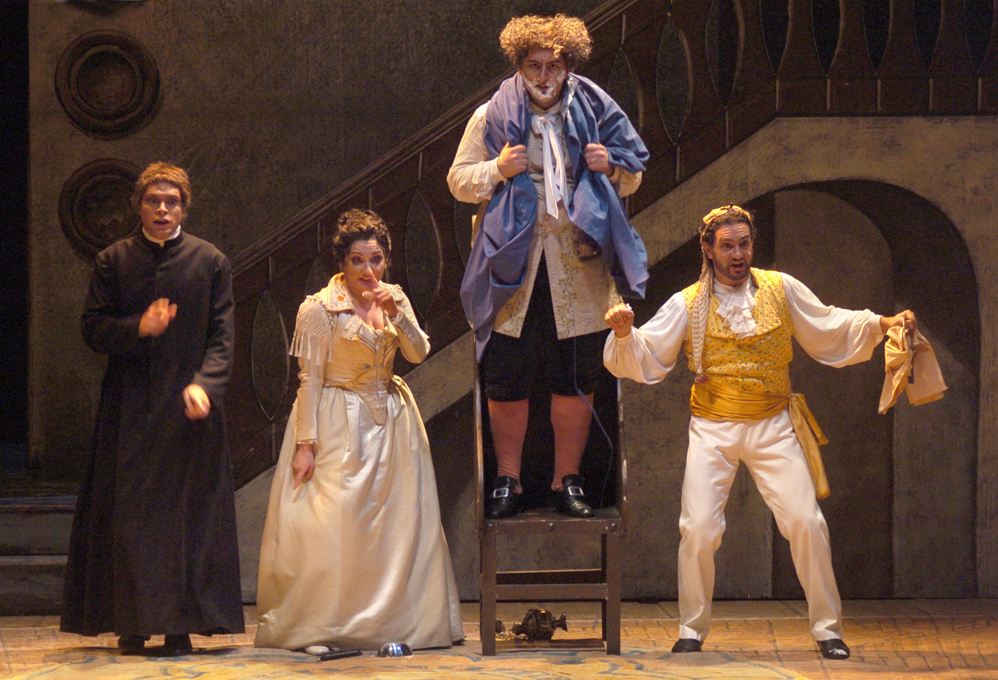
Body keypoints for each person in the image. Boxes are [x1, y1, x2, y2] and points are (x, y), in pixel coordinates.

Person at [603, 205, 917, 660]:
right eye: (727, 246)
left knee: (807, 522)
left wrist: (883, 324)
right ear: (708, 249)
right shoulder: (688, 302)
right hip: (713, 427)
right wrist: (624, 335)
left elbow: (827, 322)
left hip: (773, 424)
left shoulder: (779, 288)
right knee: (698, 528)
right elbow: (648, 352)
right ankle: (691, 628)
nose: (738, 254)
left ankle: (828, 629)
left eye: (744, 244)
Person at [448, 14, 649, 519]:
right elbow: (458, 180)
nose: (543, 76)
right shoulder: (490, 115)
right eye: (533, 65)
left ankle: (568, 481)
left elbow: (633, 173)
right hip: (510, 266)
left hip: (577, 266)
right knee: (507, 374)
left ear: (568, 67)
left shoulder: (595, 108)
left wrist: (611, 166)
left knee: (576, 374)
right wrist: (497, 169)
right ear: (519, 65)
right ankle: (507, 479)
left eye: (553, 66)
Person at [254, 209, 463, 653]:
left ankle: (391, 624)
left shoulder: (394, 297)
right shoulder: (318, 309)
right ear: (342, 263)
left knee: (394, 528)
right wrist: (305, 445)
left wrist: (396, 313)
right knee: (333, 523)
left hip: (392, 421)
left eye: (376, 259)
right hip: (337, 418)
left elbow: (419, 352)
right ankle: (321, 626)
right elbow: (309, 380)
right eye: (358, 261)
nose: (368, 271)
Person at [61, 162, 243, 656]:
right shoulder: (113, 260)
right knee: (130, 519)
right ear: (138, 206)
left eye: (172, 202)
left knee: (187, 519)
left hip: (189, 410)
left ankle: (181, 626)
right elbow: (92, 328)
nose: (163, 210)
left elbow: (222, 336)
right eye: (153, 201)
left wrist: (206, 385)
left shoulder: (210, 261)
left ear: (184, 208)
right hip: (131, 407)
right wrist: (137, 327)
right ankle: (132, 624)